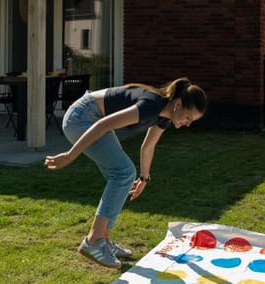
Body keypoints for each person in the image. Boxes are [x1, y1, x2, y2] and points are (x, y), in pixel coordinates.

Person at [44, 77, 208, 269]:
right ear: (178, 105)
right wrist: (70, 156)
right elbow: (103, 125)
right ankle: (93, 241)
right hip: (81, 117)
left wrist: (144, 178)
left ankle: (103, 240)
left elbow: (148, 146)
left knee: (122, 177)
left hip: (93, 118)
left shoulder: (163, 116)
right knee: (123, 173)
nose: (188, 124)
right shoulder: (151, 105)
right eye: (188, 117)